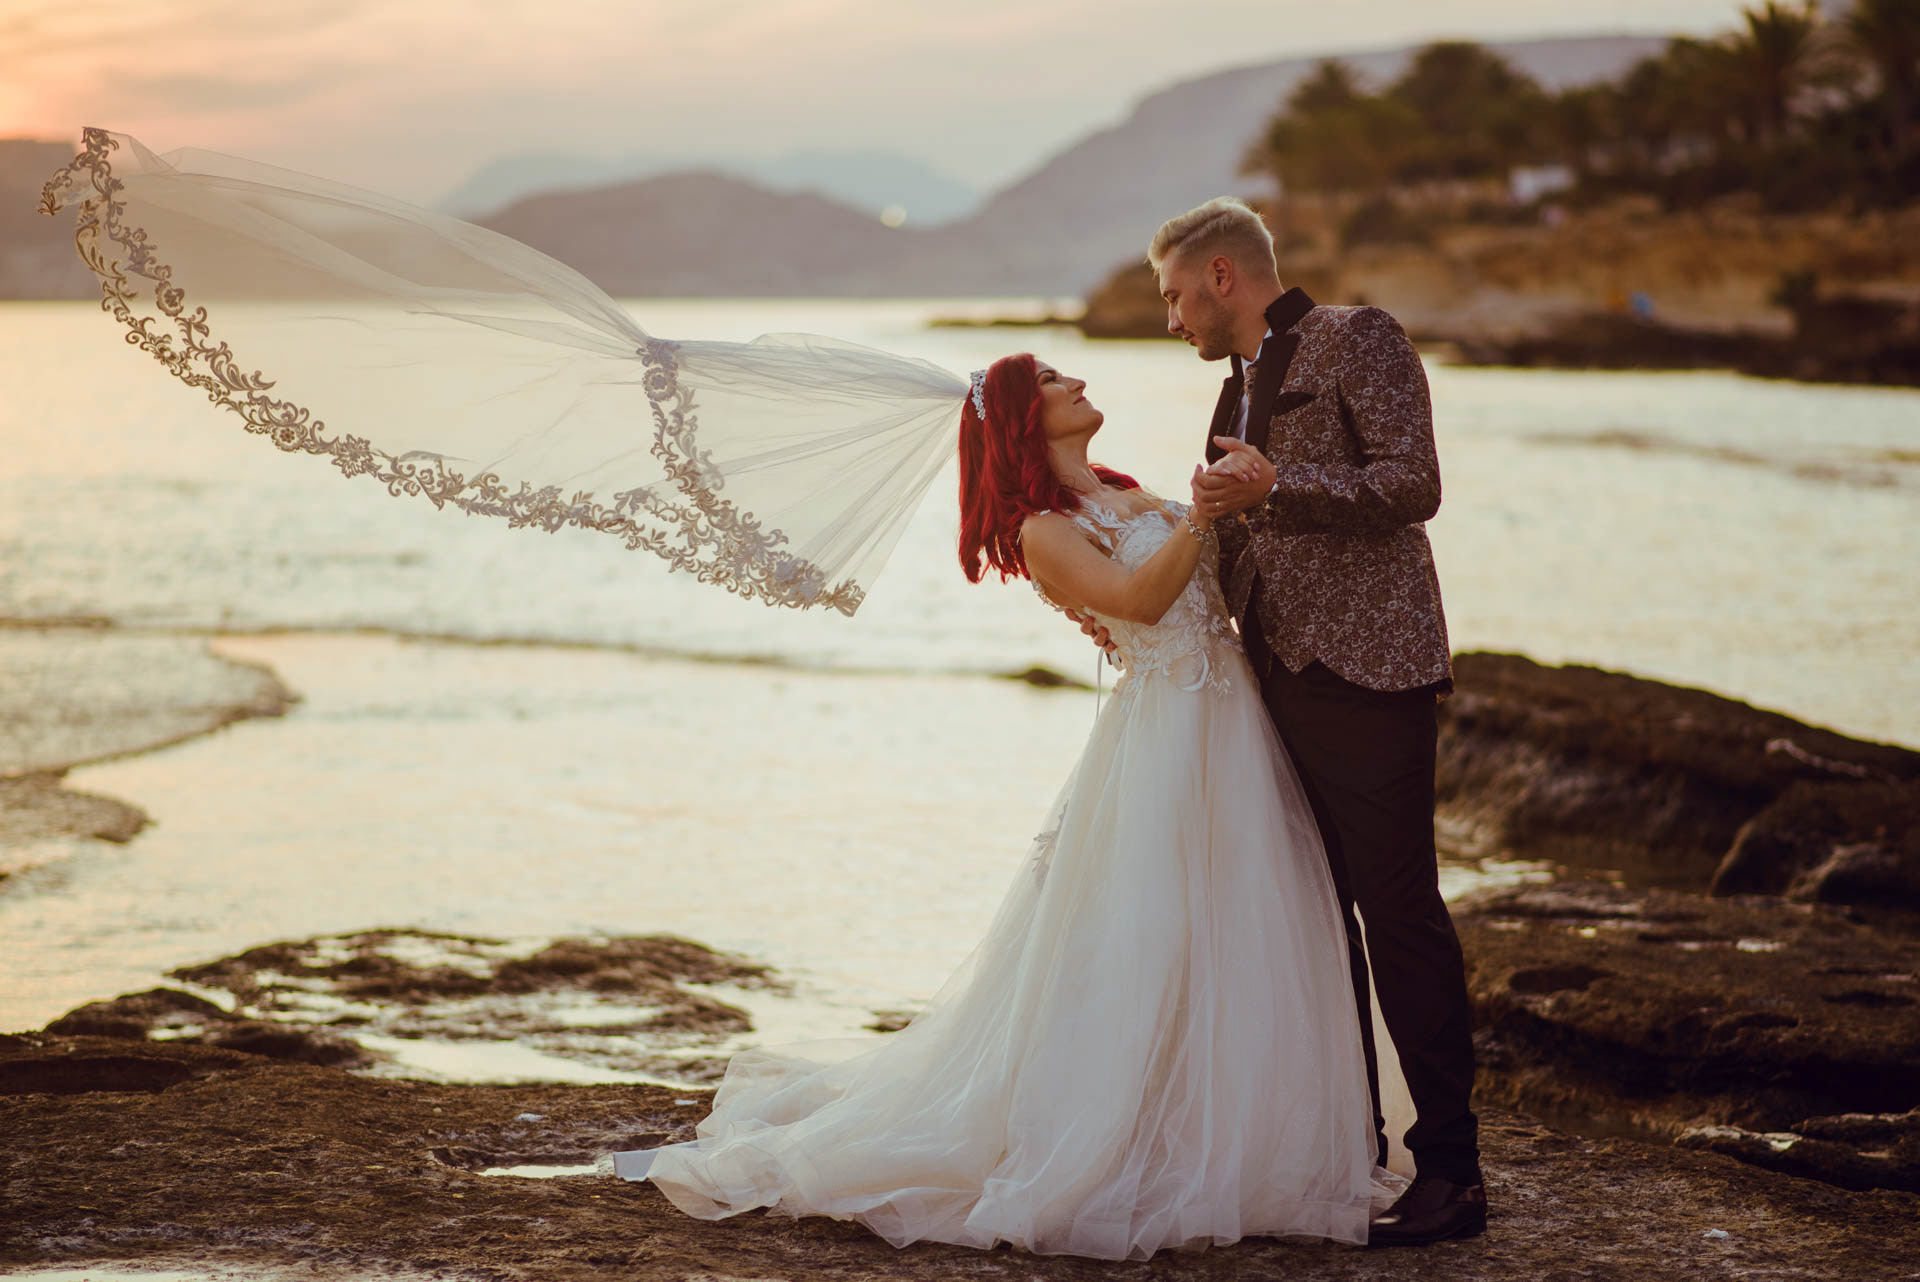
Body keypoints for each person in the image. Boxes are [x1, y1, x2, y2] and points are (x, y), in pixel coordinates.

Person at [612, 353, 1401, 1256]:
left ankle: (1248, 1135)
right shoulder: (1042, 531)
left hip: (1233, 725)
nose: (1077, 384)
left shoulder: (1132, 497)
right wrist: (1210, 515)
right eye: (1057, 382)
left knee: (1247, 927)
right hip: (1167, 738)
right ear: (1029, 419)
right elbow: (1140, 598)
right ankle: (1136, 1138)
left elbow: (1214, 591)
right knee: (1153, 932)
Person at [1129, 197, 1485, 1245]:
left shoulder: (1356, 337)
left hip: (1371, 673)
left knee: (1399, 910)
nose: (1170, 317)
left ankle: (1455, 1173)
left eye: (1173, 295)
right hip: (1275, 680)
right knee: (1314, 919)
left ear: (1224, 277)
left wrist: (1283, 485)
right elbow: (1233, 534)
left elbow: (1412, 485)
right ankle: (1353, 1148)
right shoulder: (1232, 390)